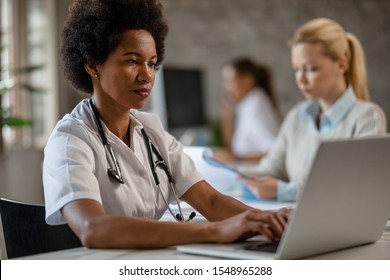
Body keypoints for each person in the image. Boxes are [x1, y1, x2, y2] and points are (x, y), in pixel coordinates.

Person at [42, 0, 288, 250]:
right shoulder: (70, 139)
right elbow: (92, 228)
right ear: (93, 65)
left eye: (151, 63)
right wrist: (214, 231)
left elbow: (211, 202)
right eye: (131, 61)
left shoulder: (151, 130)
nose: (147, 75)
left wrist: (270, 219)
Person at [238, 18, 387, 202]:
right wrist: (229, 175)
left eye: (311, 69)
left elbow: (358, 188)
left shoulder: (366, 117)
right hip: (290, 223)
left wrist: (284, 191)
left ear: (342, 63)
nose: (301, 79)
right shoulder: (297, 116)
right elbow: (270, 169)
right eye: (296, 69)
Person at [214, 57, 281, 162]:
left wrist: (236, 158)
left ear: (248, 80)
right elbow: (232, 149)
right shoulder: (245, 105)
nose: (226, 87)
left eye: (230, 80)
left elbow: (274, 152)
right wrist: (227, 116)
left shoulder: (256, 104)